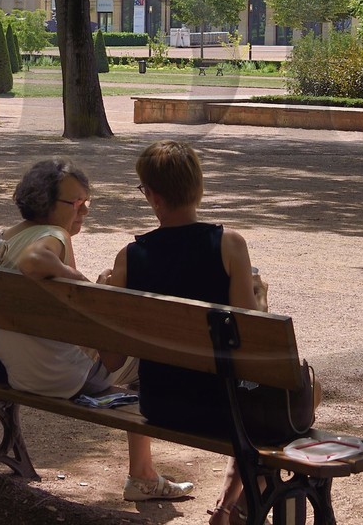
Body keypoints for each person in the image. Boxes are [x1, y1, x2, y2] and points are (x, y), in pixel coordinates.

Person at [0, 160, 193, 504]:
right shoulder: (52, 235)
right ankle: (143, 477)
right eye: (76, 203)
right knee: (153, 356)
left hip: (18, 371)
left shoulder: (5, 237)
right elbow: (34, 262)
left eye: (87, 202)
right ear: (45, 203)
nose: (84, 211)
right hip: (63, 376)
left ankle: (144, 474)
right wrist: (87, 285)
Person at [108, 141, 261, 525]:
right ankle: (230, 505)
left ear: (154, 197)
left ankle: (230, 505)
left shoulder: (130, 256)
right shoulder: (229, 245)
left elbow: (112, 359)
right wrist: (261, 298)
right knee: (301, 394)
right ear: (197, 188)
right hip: (220, 409)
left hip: (159, 403)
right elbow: (248, 338)